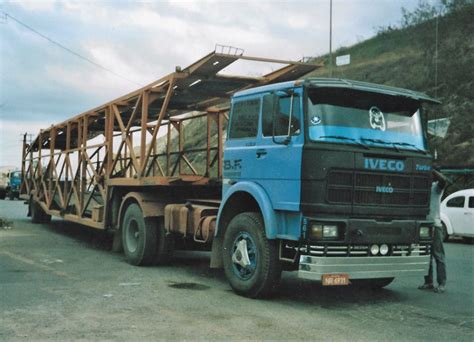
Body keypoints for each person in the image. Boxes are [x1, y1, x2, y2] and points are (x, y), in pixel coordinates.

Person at [418, 170, 450, 293]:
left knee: (438, 255)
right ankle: (428, 282)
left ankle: (441, 283)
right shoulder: (423, 188)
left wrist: (431, 169)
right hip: (424, 225)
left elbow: (443, 180)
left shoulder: (436, 188)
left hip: (435, 225)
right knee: (426, 255)